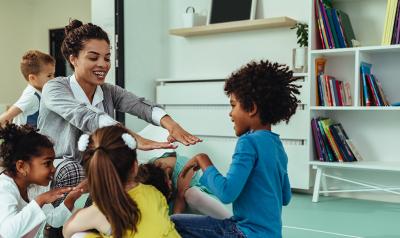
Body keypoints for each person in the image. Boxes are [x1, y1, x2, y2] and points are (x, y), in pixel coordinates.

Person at [37, 19, 201, 203]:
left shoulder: (108, 91)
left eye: (107, 58)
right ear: (73, 59)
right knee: (77, 170)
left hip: (97, 164)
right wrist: (131, 138)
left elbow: (140, 105)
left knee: (161, 167)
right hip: (59, 165)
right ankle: (56, 229)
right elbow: (86, 116)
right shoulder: (54, 88)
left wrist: (172, 126)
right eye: (93, 58)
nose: (103, 64)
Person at [171, 60, 300, 238]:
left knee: (174, 222)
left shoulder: (248, 142)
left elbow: (226, 193)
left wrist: (203, 160)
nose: (230, 113)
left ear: (252, 108)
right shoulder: (277, 145)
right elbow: (285, 197)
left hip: (243, 234)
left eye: (233, 105)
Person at [62, 125, 181, 238]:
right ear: (135, 167)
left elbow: (66, 231)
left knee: (78, 236)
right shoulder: (154, 193)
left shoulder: (100, 211)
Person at [0, 123, 84, 238]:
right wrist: (40, 200)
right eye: (47, 163)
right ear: (21, 166)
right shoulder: (4, 188)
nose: (53, 169)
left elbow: (54, 220)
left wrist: (71, 199)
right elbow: (8, 233)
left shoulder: (32, 187)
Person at [137, 153, 232, 219]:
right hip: (168, 212)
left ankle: (235, 226)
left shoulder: (184, 171)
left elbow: (176, 219)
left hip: (196, 211)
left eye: (169, 185)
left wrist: (180, 194)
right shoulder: (149, 171)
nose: (170, 184)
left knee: (191, 194)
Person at [0, 50, 55, 128]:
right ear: (32, 78)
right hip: (22, 139)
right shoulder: (31, 96)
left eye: (53, 74)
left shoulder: (39, 92)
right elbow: (9, 115)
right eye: (49, 76)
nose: (53, 79)